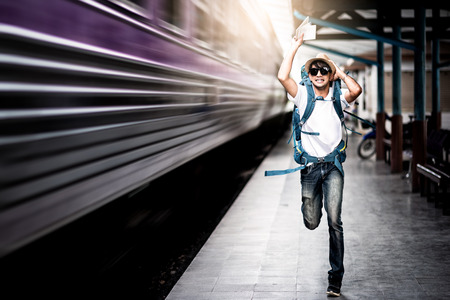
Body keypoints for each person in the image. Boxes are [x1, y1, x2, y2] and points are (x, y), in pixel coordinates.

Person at [277, 32, 362, 297]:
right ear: (309, 74)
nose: (318, 73)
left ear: (329, 74)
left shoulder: (338, 96)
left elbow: (357, 90)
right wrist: (293, 48)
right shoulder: (302, 95)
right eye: (313, 70)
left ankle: (335, 279)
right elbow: (282, 77)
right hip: (311, 169)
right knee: (312, 221)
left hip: (334, 167)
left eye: (323, 70)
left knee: (335, 222)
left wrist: (339, 72)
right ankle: (312, 208)